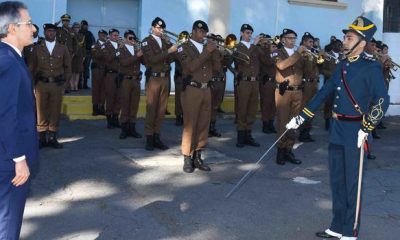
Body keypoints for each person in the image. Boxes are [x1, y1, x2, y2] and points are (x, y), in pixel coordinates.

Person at [286, 16, 389, 240]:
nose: (344, 40)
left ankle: (350, 232)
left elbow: (383, 100)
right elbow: (324, 93)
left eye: (349, 37)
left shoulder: (371, 68)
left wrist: (368, 126)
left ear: (362, 43)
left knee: (353, 183)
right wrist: (301, 117)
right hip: (337, 128)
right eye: (345, 36)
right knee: (337, 181)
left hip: (356, 131)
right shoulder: (342, 65)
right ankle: (337, 225)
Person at [0, 2, 39, 239]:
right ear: (13, 28)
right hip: (9, 162)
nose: (33, 28)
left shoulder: (8, 57)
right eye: (28, 23)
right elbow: (7, 114)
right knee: (8, 223)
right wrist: (19, 158)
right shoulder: (9, 63)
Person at [177, 20, 218, 173]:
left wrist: (214, 52)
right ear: (193, 31)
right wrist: (207, 51)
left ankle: (198, 156)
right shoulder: (183, 47)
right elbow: (190, 67)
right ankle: (187, 158)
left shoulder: (207, 47)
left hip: (206, 89)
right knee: (190, 124)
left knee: (203, 124)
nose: (203, 35)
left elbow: (218, 68)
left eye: (205, 32)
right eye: (200, 32)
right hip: (192, 89)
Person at [31, 23, 72, 149]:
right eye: (48, 31)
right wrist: (32, 85)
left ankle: (53, 137)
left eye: (53, 32)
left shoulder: (62, 48)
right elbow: (32, 67)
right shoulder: (38, 48)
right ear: (45, 33)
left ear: (56, 33)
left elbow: (68, 67)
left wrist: (65, 84)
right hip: (41, 84)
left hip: (57, 84)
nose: (51, 34)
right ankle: (42, 138)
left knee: (55, 110)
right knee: (41, 110)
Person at [141, 17, 177, 151]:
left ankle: (157, 136)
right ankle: (149, 138)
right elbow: (151, 60)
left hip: (165, 79)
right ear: (152, 28)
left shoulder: (164, 41)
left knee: (161, 110)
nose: (160, 30)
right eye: (158, 27)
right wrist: (168, 51)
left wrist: (172, 48)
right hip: (154, 79)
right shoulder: (146, 42)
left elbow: (172, 59)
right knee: (152, 109)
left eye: (162, 28)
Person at [271, 28, 306, 165]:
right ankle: (280, 151)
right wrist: (298, 53)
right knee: (282, 122)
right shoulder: (275, 51)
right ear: (283, 39)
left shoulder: (301, 54)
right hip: (283, 92)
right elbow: (282, 65)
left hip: (298, 91)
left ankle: (289, 149)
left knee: (294, 122)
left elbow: (307, 71)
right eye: (290, 38)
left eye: (294, 38)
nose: (293, 41)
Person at [234, 24, 269, 148]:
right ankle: (240, 136)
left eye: (250, 33)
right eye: (247, 32)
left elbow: (266, 61)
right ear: (242, 33)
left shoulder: (256, 47)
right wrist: (255, 44)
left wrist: (266, 46)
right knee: (242, 108)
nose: (250, 35)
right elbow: (244, 60)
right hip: (244, 82)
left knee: (252, 110)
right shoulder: (238, 47)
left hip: (255, 82)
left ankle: (248, 135)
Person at [118, 30, 143, 139]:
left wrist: (142, 53)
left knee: (134, 105)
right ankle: (124, 129)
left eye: (134, 38)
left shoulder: (137, 49)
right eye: (130, 38)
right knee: (125, 104)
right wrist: (137, 56)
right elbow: (124, 63)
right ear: (125, 39)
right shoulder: (120, 49)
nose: (132, 40)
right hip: (126, 80)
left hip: (136, 81)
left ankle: (132, 129)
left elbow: (145, 62)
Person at [298, 32, 320, 142]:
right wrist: (312, 58)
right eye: (310, 42)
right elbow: (307, 70)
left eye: (313, 42)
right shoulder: (302, 54)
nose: (312, 44)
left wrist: (320, 57)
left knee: (312, 109)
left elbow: (319, 67)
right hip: (305, 84)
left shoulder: (312, 53)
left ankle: (307, 131)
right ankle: (302, 132)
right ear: (304, 42)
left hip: (314, 84)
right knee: (304, 109)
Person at [103, 28, 122, 129]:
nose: (116, 37)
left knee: (119, 97)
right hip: (110, 75)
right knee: (110, 97)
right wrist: (118, 50)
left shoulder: (121, 45)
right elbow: (108, 59)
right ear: (109, 36)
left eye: (117, 35)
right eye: (114, 35)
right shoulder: (105, 45)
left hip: (120, 74)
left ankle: (115, 118)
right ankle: (109, 119)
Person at [91, 29, 108, 116]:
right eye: (101, 34)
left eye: (104, 35)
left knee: (104, 89)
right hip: (97, 70)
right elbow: (97, 55)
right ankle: (95, 108)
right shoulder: (94, 45)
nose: (102, 36)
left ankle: (102, 107)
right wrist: (104, 48)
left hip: (105, 69)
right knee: (96, 89)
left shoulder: (108, 45)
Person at [79, 20, 95, 89]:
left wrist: (92, 52)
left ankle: (85, 84)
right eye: (83, 25)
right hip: (79, 53)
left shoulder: (89, 33)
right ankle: (78, 84)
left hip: (88, 53)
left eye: (85, 25)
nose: (84, 26)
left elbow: (93, 43)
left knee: (86, 69)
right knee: (79, 68)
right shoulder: (78, 32)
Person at [70, 22, 85, 92]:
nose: (77, 29)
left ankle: (76, 85)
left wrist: (84, 55)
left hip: (79, 55)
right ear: (73, 28)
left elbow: (83, 46)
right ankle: (72, 85)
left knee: (78, 71)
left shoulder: (82, 35)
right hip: (72, 54)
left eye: (78, 27)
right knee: (72, 71)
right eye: (75, 27)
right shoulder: (71, 34)